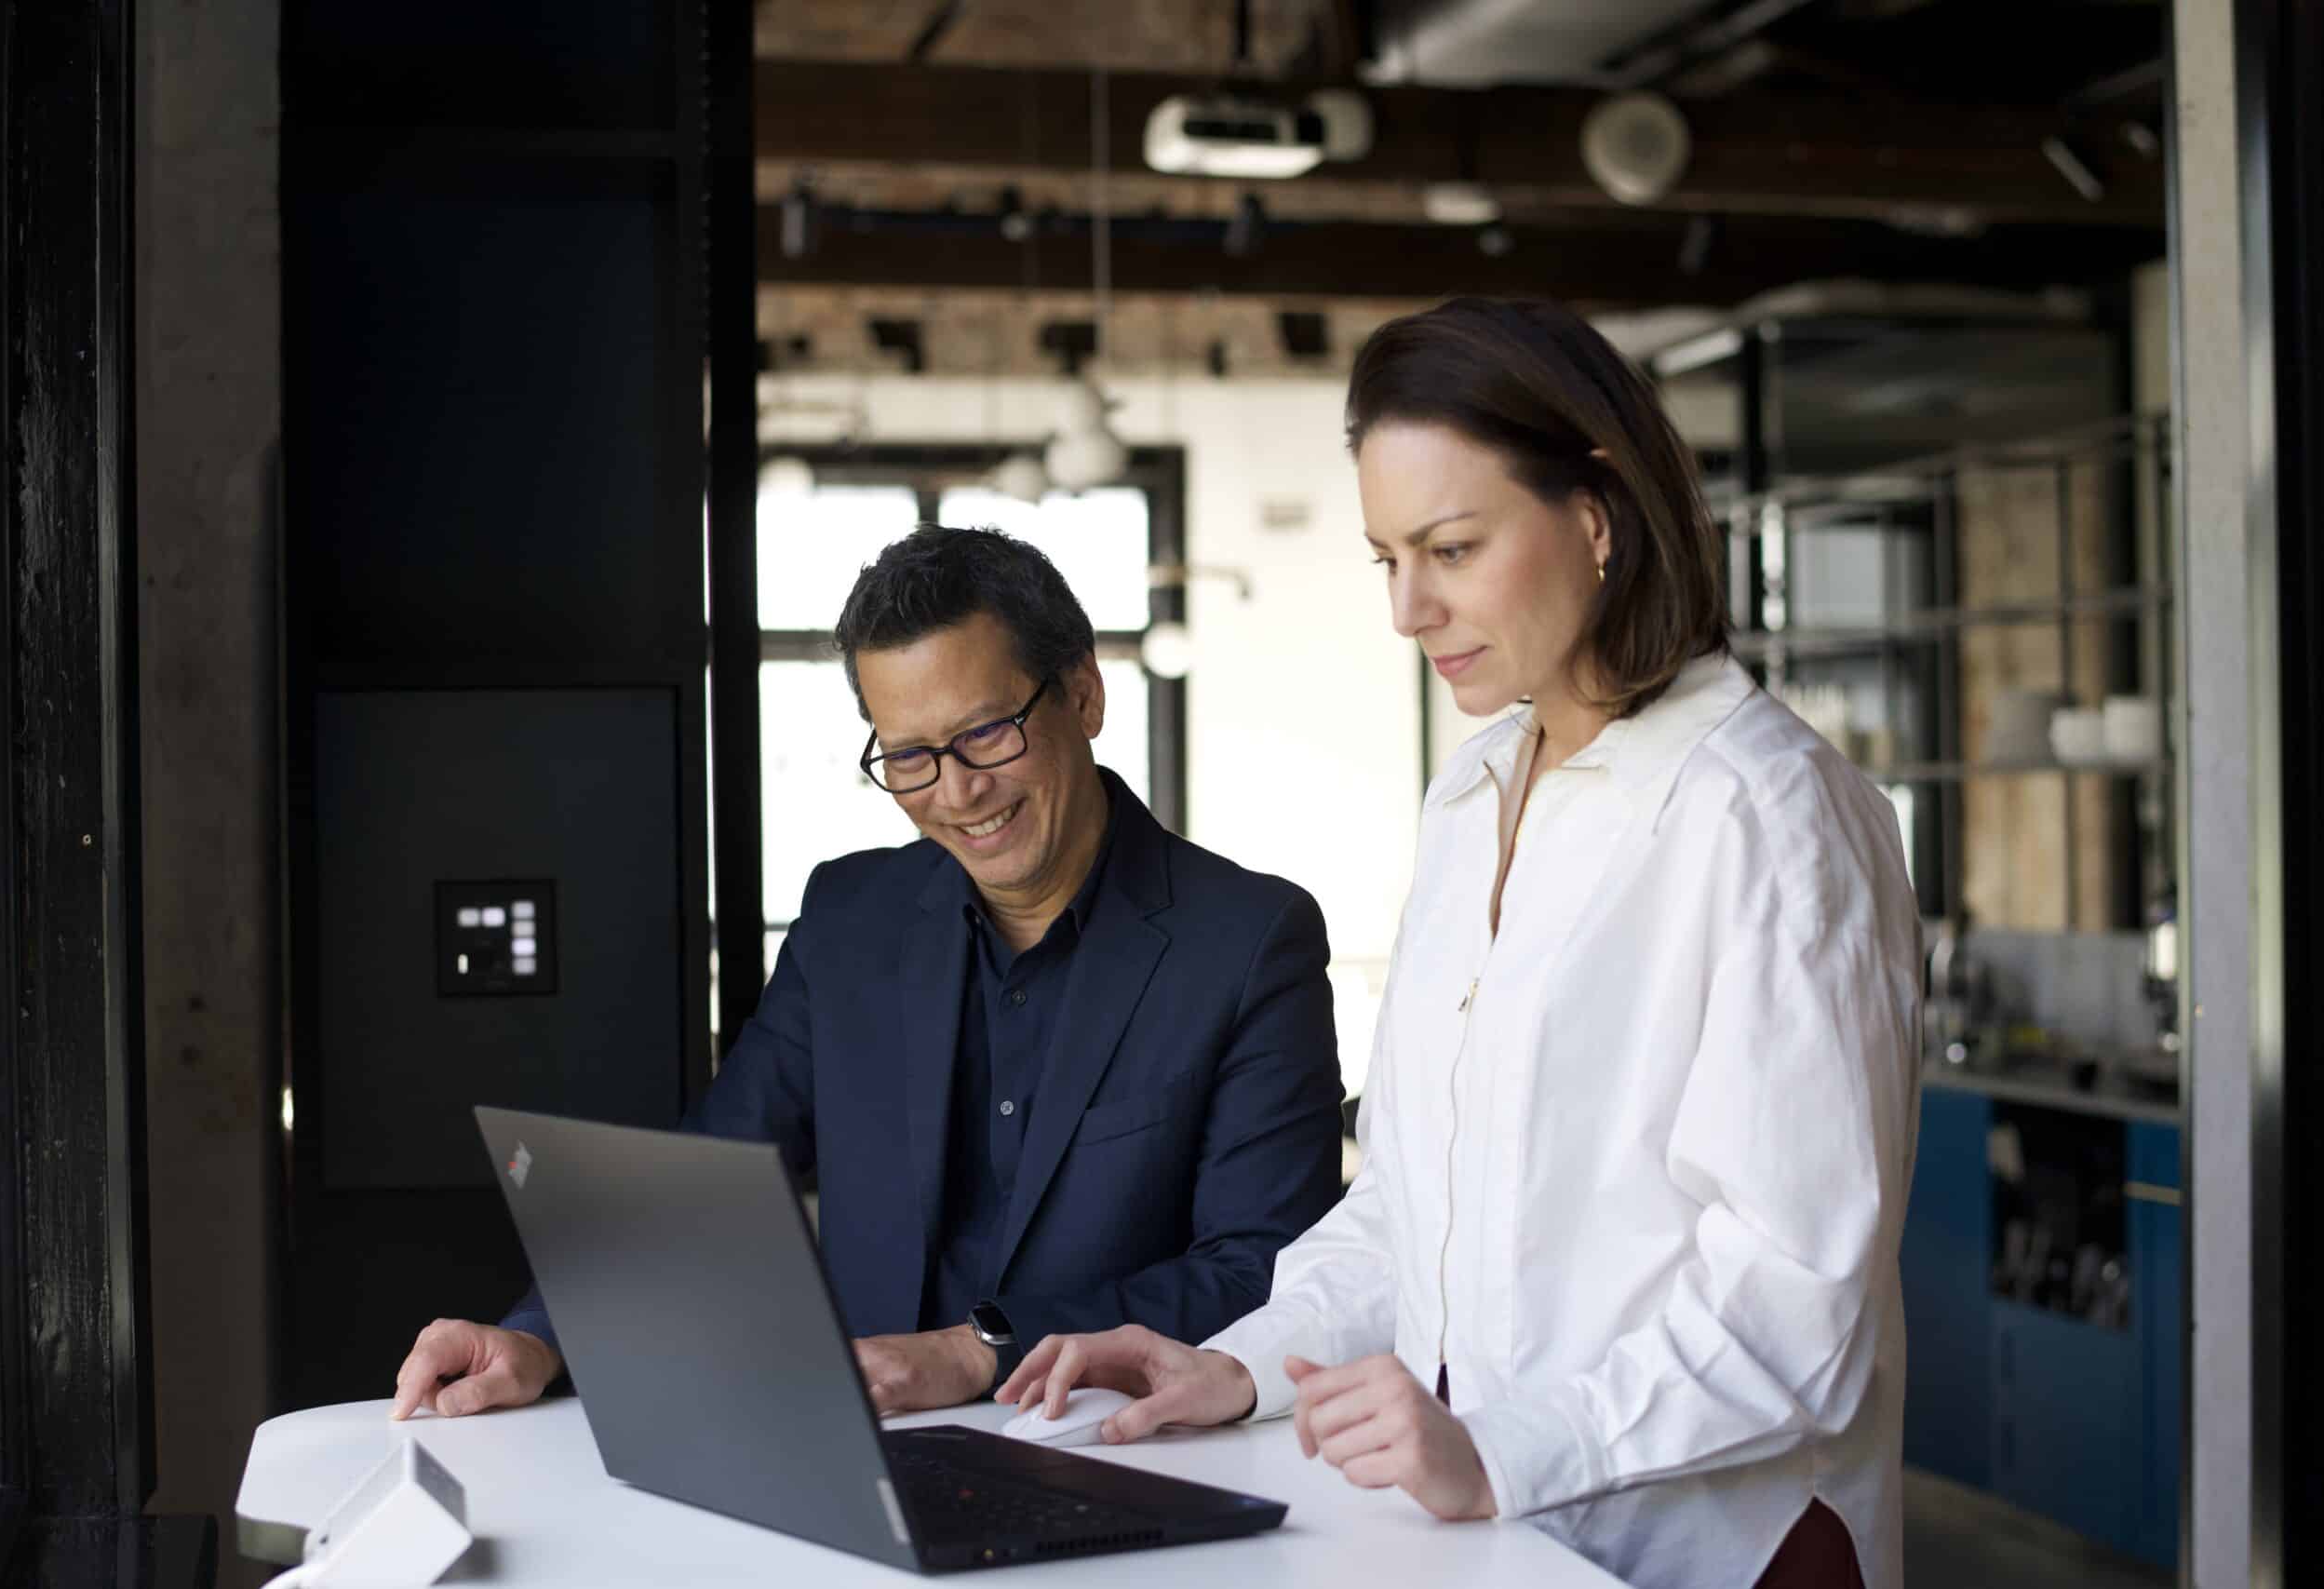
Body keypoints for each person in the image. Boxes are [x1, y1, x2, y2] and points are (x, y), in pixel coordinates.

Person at [996, 298, 1922, 1589]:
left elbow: (1794, 1299)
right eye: (1387, 557)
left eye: (1451, 546)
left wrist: (1500, 1448)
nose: (1409, 608)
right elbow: (1412, 1209)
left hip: (1711, 1548)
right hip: (1504, 1537)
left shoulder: (1766, 815)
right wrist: (1241, 1360)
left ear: (1595, 518)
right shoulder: (1475, 790)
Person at [393, 526, 1345, 1422]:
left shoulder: (1250, 940)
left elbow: (1261, 1265)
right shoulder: (851, 921)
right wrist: (536, 1339)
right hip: (867, 1460)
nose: (958, 791)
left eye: (987, 734)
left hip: (1120, 1446)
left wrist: (980, 1351)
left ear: (1084, 696)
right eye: (910, 758)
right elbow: (716, 1175)